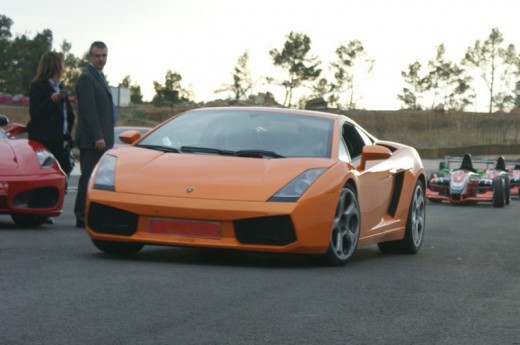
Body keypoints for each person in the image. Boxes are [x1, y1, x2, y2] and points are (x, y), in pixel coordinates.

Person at [28, 51, 76, 224]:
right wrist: (51, 101)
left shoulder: (61, 87)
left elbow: (68, 115)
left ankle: (49, 208)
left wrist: (68, 134)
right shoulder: (38, 87)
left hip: (59, 139)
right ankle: (41, 211)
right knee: (44, 177)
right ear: (55, 66)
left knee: (61, 173)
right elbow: (35, 113)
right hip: (42, 139)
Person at [74, 41, 116, 228]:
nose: (101, 59)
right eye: (97, 55)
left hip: (102, 138)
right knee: (87, 177)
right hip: (93, 140)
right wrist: (97, 136)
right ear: (90, 56)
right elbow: (88, 111)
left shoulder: (99, 76)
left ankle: (90, 214)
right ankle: (81, 215)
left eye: (104, 55)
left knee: (96, 178)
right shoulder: (86, 78)